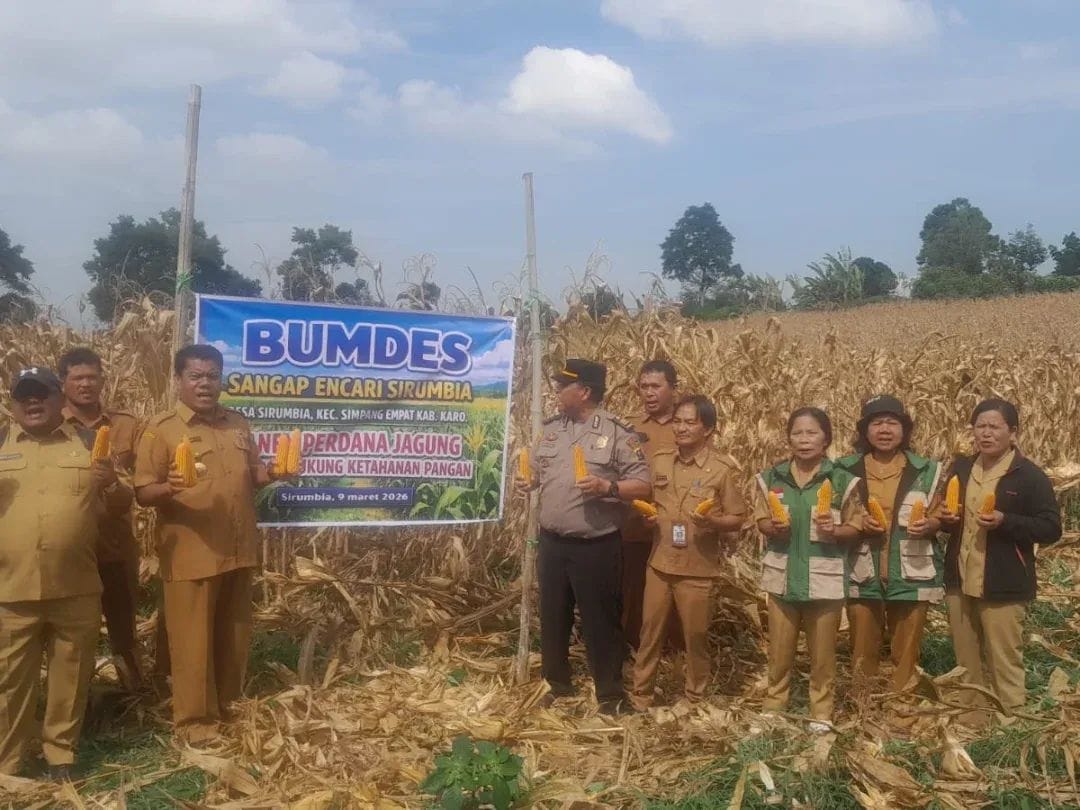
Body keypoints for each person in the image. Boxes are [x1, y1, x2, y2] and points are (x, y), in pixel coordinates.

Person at [134, 344, 281, 743]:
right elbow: (143, 492)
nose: (205, 384)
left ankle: (228, 704)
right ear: (179, 380)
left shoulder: (237, 423)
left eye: (212, 376)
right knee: (192, 640)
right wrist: (170, 487)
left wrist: (276, 472)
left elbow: (251, 474)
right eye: (196, 376)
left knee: (233, 632)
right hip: (191, 550)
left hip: (237, 545)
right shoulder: (161, 429)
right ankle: (195, 723)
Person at [0, 367, 131, 778]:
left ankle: (61, 754)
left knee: (70, 675)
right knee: (9, 683)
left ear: (60, 399)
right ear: (13, 404)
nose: (33, 402)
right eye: (24, 396)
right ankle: (10, 761)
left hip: (75, 586)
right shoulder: (0, 443)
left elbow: (122, 503)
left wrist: (111, 483)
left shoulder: (91, 442)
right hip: (11, 587)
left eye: (42, 394)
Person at [516, 359, 651, 714]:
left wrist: (608, 485)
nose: (557, 392)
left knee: (600, 619)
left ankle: (609, 695)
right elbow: (539, 472)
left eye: (563, 386)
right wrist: (528, 481)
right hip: (553, 541)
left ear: (585, 391)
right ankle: (557, 684)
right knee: (553, 615)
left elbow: (644, 484)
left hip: (596, 545)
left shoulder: (618, 432)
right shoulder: (550, 430)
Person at [938, 398, 1061, 720]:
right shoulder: (962, 468)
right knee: (965, 658)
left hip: (1004, 582)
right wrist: (947, 518)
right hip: (960, 578)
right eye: (980, 426)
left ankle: (1012, 722)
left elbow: (1051, 528)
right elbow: (950, 519)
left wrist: (1006, 521)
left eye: (994, 427)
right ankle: (972, 718)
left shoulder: (1029, 476)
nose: (986, 434)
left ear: (1013, 432)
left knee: (1004, 658)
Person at [630, 395, 746, 709]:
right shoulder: (661, 461)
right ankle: (641, 694)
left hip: (698, 568)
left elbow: (738, 517)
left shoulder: (720, 470)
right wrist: (646, 517)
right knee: (649, 633)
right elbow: (649, 505)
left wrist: (713, 522)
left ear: (707, 429)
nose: (681, 427)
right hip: (660, 563)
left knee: (695, 637)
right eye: (678, 421)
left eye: (689, 422)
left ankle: (695, 697)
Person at [754, 407, 864, 732]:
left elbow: (857, 525)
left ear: (826, 438)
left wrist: (836, 531)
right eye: (797, 433)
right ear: (788, 438)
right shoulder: (771, 478)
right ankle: (774, 707)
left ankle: (821, 712)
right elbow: (760, 519)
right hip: (783, 577)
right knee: (779, 652)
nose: (804, 440)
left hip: (824, 580)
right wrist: (771, 527)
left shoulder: (842, 480)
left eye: (811, 433)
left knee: (823, 656)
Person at [837, 395, 945, 693]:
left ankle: (903, 702)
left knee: (907, 648)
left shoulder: (927, 470)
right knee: (861, 644)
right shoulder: (843, 469)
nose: (885, 430)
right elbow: (830, 516)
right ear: (865, 430)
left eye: (892, 423)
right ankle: (864, 702)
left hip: (911, 567)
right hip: (862, 566)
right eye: (876, 423)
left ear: (905, 430)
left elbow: (940, 514)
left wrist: (931, 524)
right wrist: (857, 525)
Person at [59, 346, 145, 690]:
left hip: (116, 545)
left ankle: (133, 695)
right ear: (62, 383)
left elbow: (148, 473)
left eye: (92, 377)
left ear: (102, 380)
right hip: (71, 548)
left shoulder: (127, 425)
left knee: (124, 627)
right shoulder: (52, 427)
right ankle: (79, 697)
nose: (86, 384)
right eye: (77, 377)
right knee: (74, 630)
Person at [621, 360, 679, 651]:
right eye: (644, 387)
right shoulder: (628, 427)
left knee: (676, 592)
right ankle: (633, 650)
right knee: (633, 591)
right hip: (635, 526)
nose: (649, 393)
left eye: (656, 386)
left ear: (673, 388)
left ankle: (674, 653)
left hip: (675, 527)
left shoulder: (686, 425)